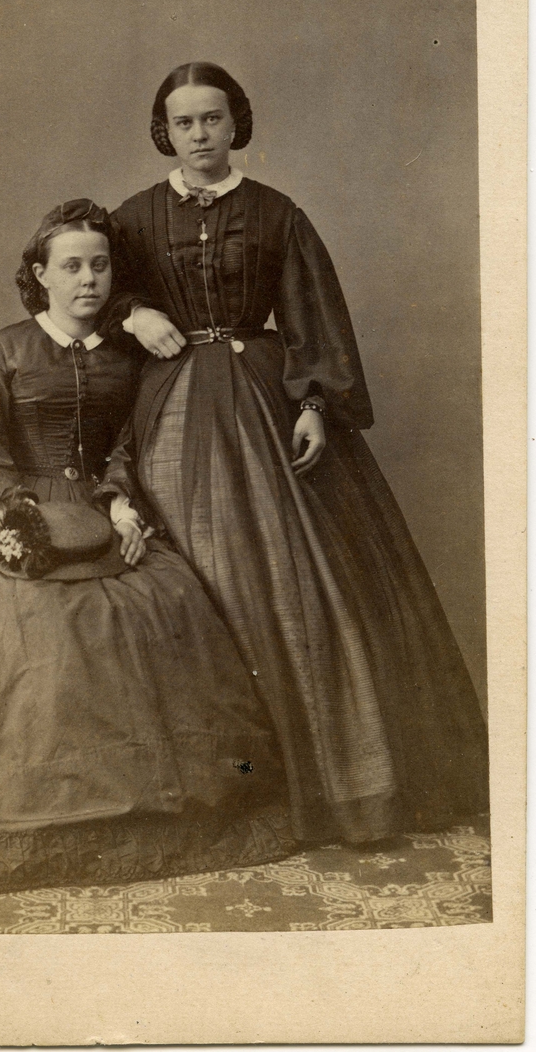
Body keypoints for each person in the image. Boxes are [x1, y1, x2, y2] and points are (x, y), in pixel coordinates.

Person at [0, 199, 297, 899]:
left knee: (161, 606)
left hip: (99, 510)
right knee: (29, 638)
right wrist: (11, 515)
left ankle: (140, 815)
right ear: (41, 276)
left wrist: (119, 501)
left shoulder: (128, 356)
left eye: (100, 265)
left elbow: (129, 443)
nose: (88, 279)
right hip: (13, 511)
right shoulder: (7, 350)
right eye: (72, 267)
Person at [101, 62, 489, 846]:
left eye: (213, 118)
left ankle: (343, 784)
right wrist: (135, 312)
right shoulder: (133, 219)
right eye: (184, 122)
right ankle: (227, 787)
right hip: (171, 409)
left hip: (263, 399)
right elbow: (85, 287)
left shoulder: (277, 214)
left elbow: (313, 315)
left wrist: (312, 405)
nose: (200, 134)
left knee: (298, 577)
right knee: (195, 566)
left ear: (235, 122)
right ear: (164, 132)